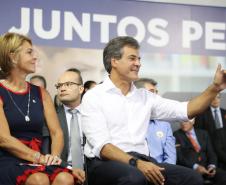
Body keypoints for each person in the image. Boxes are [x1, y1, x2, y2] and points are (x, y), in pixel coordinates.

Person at [81, 36, 226, 185]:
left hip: (141, 160)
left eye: (139, 59)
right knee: (135, 178)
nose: (138, 63)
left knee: (191, 178)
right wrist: (137, 164)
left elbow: (186, 110)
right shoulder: (94, 97)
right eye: (132, 58)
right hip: (104, 163)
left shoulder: (146, 97)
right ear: (114, 61)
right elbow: (104, 148)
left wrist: (215, 88)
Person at [0, 32, 81, 185]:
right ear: (12, 57)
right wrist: (38, 157)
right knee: (39, 180)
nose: (35, 57)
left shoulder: (41, 93)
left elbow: (56, 132)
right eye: (29, 52)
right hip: (8, 158)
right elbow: (4, 139)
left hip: (39, 159)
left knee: (66, 178)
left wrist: (54, 156)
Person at [134, 78, 176, 164]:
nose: (157, 96)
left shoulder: (165, 125)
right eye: (152, 92)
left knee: (193, 176)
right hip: (135, 169)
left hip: (162, 170)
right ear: (138, 95)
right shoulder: (128, 121)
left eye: (156, 92)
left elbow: (171, 158)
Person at [174, 119, 226, 185]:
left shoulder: (203, 133)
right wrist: (195, 166)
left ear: (193, 122)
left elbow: (211, 153)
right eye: (181, 121)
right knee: (197, 180)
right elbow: (180, 157)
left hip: (207, 166)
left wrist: (212, 166)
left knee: (223, 176)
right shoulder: (176, 135)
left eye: (185, 121)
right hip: (190, 168)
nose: (183, 124)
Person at [55, 68, 85, 173]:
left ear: (81, 89)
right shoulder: (52, 117)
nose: (62, 89)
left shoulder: (92, 114)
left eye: (68, 84)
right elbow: (48, 152)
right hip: (63, 170)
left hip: (93, 170)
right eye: (59, 86)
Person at [30, 75, 50, 154]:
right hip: (28, 138)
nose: (34, 90)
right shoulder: (23, 102)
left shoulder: (47, 103)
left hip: (44, 136)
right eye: (32, 87)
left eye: (38, 88)